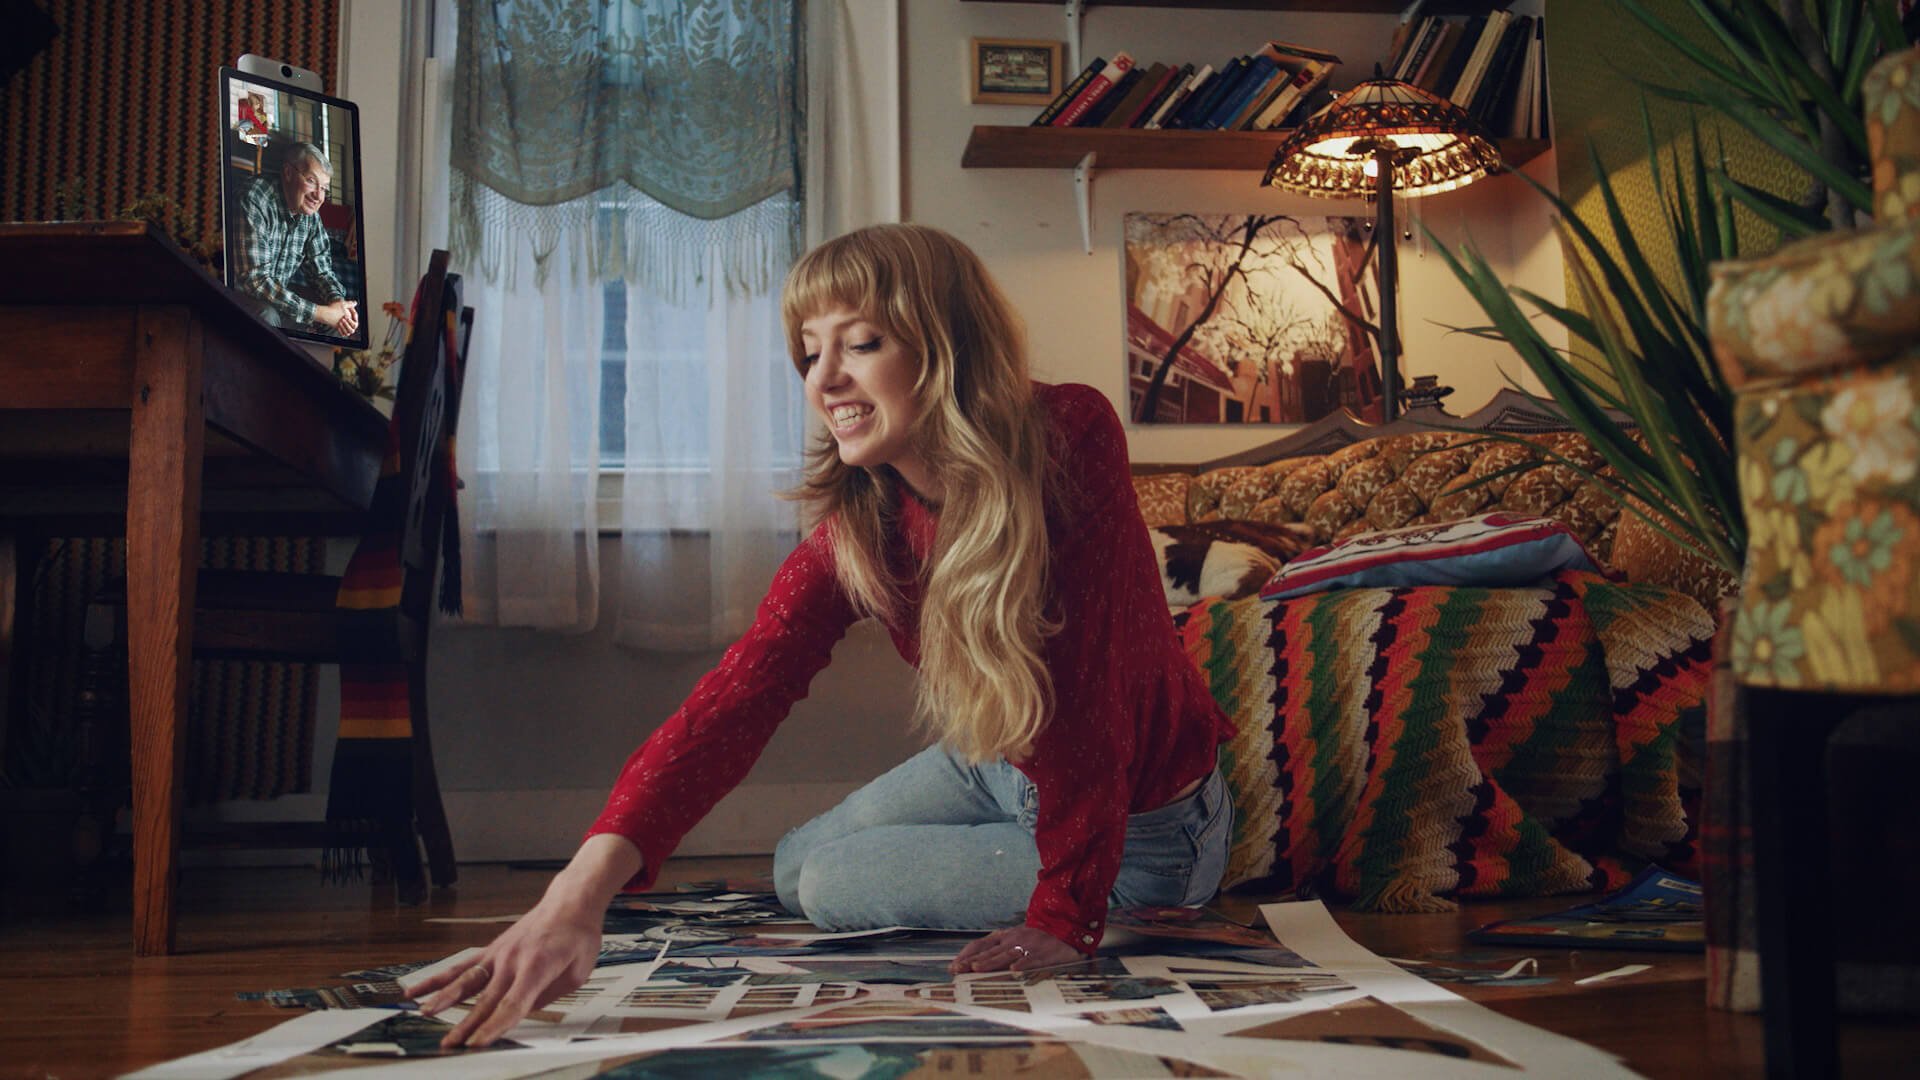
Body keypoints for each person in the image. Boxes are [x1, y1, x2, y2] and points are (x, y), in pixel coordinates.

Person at [413, 223, 1236, 1047]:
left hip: (1143, 827)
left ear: (947, 345)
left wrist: (1064, 913)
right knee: (791, 865)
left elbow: (1085, 695)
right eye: (809, 352)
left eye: (862, 343)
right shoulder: (863, 529)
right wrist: (573, 898)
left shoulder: (1070, 436)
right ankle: (999, 853)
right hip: (996, 763)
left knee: (832, 882)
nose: (824, 378)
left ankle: (1055, 869)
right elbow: (734, 701)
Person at [229, 141, 359, 337]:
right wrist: (320, 313)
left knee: (337, 322)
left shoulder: (310, 216)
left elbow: (322, 272)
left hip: (274, 297)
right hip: (236, 294)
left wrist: (337, 304)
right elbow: (255, 281)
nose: (318, 196)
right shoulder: (253, 198)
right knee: (267, 315)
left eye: (324, 188)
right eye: (311, 181)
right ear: (288, 173)